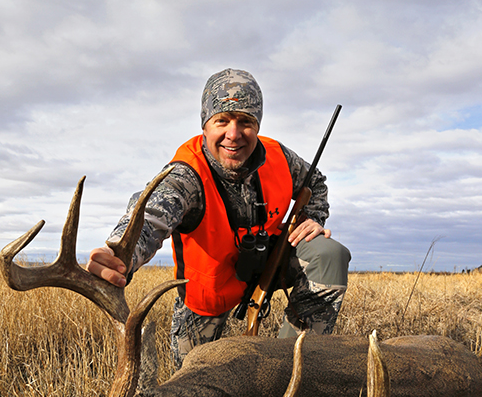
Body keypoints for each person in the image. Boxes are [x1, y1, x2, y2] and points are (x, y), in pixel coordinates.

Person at [87, 69, 350, 366]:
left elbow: (315, 182)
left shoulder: (278, 156)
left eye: (246, 121)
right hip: (207, 294)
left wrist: (312, 218)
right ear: (205, 126)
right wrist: (121, 253)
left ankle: (291, 369)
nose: (234, 134)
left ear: (258, 125)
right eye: (222, 121)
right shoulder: (185, 175)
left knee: (330, 254)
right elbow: (150, 215)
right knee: (191, 384)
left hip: (269, 264)